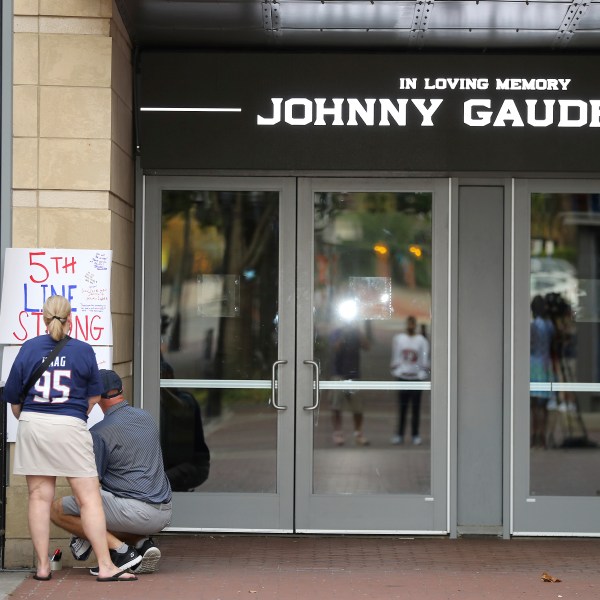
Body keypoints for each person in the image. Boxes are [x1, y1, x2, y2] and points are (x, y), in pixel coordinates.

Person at [2, 295, 137, 582]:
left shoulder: (28, 349)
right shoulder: (83, 351)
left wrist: (30, 419)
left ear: (43, 318)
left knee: (39, 497)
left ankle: (41, 567)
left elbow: (13, 399)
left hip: (33, 425)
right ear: (70, 319)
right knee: (88, 499)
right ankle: (105, 565)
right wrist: (76, 415)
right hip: (70, 425)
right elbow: (94, 396)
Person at [51, 369, 173, 575]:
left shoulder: (99, 433)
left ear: (96, 396)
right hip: (164, 511)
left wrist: (81, 535)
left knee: (57, 509)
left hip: (135, 512)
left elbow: (89, 485)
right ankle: (141, 543)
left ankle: (122, 552)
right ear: (122, 389)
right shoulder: (146, 417)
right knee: (101, 507)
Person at [329, 315, 370, 446]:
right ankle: (338, 433)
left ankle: (358, 433)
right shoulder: (337, 332)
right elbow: (335, 348)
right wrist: (343, 334)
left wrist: (358, 331)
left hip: (354, 374)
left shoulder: (357, 332)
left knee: (358, 407)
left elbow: (366, 346)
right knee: (336, 406)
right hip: (338, 373)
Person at [390, 315, 430, 446]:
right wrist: (397, 371)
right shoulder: (399, 339)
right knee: (402, 408)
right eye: (409, 324)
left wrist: (422, 374)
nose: (410, 326)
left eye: (413, 324)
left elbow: (424, 360)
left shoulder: (421, 341)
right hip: (403, 378)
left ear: (415, 325)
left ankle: (415, 434)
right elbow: (396, 357)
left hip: (416, 379)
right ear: (406, 325)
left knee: (416, 409)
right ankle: (400, 434)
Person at [529, 295, 556, 448]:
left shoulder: (533, 326)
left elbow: (531, 345)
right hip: (545, 364)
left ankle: (534, 435)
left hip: (534, 364)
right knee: (543, 405)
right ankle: (543, 435)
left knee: (534, 405)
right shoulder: (549, 325)